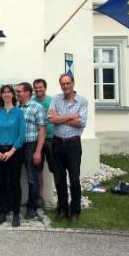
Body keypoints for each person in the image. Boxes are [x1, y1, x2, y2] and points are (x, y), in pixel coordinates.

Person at [49, 74, 88, 223]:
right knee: (59, 179)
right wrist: (71, 116)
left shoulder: (83, 101)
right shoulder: (56, 99)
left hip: (73, 144)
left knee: (74, 179)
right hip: (57, 143)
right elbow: (51, 119)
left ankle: (75, 211)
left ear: (73, 83)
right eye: (63, 84)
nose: (65, 86)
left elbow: (81, 123)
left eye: (68, 83)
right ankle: (62, 209)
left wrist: (61, 118)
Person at [0, 85, 25, 227]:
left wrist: (11, 151)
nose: (6, 94)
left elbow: (21, 134)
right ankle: (3, 212)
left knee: (15, 183)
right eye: (3, 92)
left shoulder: (19, 113)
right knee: (1, 184)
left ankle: (16, 214)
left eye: (8, 92)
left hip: (14, 152)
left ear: (13, 95)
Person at [16, 82, 46, 220]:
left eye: (19, 91)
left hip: (31, 145)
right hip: (17, 146)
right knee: (15, 178)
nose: (17, 94)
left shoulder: (37, 108)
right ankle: (15, 204)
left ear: (28, 93)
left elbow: (42, 129)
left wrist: (38, 151)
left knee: (32, 178)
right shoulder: (17, 108)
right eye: (17, 92)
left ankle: (32, 207)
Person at [32, 78, 56, 198]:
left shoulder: (52, 101)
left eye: (40, 87)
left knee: (55, 167)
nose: (38, 89)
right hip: (37, 139)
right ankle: (40, 196)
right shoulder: (32, 101)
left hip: (51, 138)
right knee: (38, 170)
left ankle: (56, 196)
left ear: (45, 88)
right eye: (36, 87)